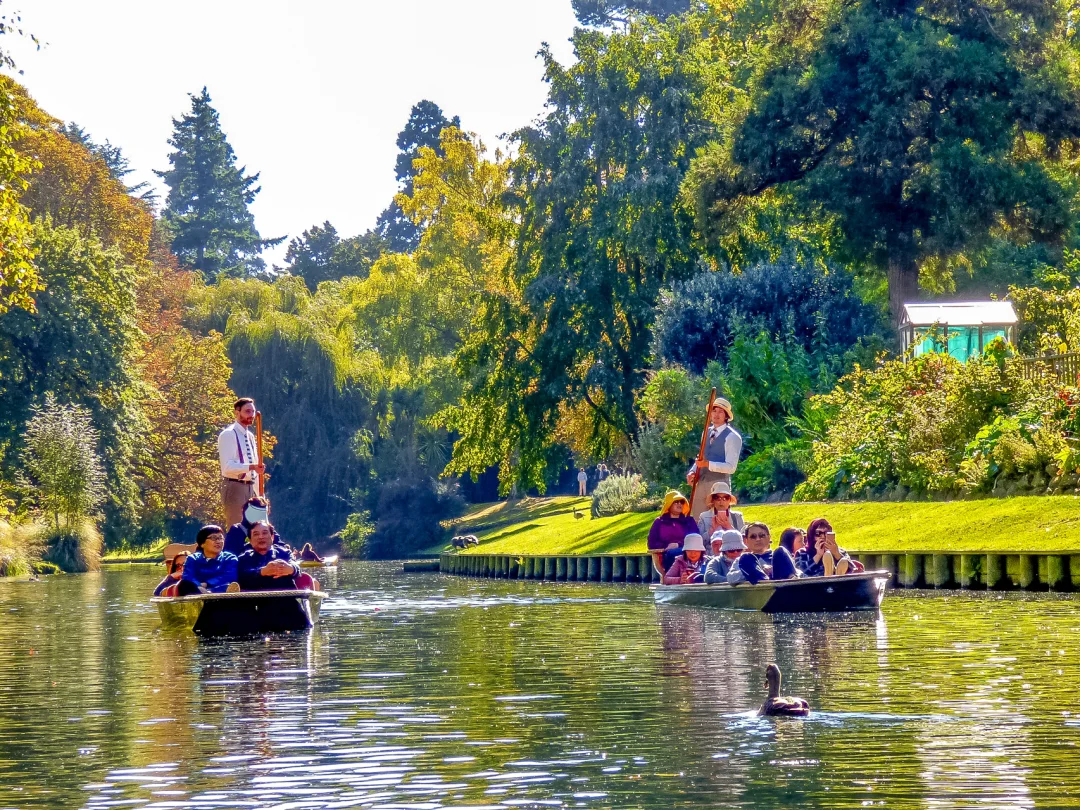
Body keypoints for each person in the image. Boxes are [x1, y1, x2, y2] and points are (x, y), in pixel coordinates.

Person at [686, 397, 743, 517]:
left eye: (720, 411)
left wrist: (708, 464)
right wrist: (692, 472)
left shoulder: (733, 437)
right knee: (697, 520)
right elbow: (701, 457)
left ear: (726, 416)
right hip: (701, 484)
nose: (716, 414)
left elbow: (731, 467)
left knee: (719, 519)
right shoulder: (706, 432)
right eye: (714, 410)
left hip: (720, 484)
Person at [218, 397, 266, 530]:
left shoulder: (250, 436)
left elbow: (256, 471)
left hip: (251, 487)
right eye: (247, 411)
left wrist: (261, 496)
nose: (251, 415)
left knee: (258, 528)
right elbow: (227, 468)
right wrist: (251, 467)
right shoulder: (228, 434)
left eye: (253, 412)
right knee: (237, 530)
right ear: (237, 413)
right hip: (234, 487)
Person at [237, 521, 319, 591]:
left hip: (285, 602)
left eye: (265, 533)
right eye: (256, 534)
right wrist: (262, 572)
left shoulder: (284, 553)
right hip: (254, 603)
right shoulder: (244, 557)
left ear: (272, 537)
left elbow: (297, 568)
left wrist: (290, 569)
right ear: (250, 540)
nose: (261, 537)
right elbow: (242, 576)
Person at [727, 522, 799, 585]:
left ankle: (791, 584)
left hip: (783, 587)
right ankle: (766, 583)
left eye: (762, 535)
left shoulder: (781, 555)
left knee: (780, 550)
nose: (758, 539)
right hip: (760, 592)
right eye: (753, 537)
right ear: (746, 541)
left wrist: (774, 569)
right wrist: (758, 570)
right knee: (746, 558)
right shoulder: (741, 560)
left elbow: (800, 573)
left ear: (769, 538)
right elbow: (731, 578)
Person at [647, 490, 700, 570]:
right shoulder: (659, 522)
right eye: (676, 502)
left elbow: (696, 539)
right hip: (667, 555)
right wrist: (666, 546)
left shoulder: (689, 521)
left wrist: (678, 545)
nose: (679, 504)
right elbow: (651, 543)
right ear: (669, 505)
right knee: (673, 553)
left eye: (681, 502)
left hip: (689, 552)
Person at [178, 525, 239, 595]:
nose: (218, 541)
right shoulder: (192, 559)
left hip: (220, 590)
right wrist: (199, 586)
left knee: (228, 586)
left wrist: (206, 584)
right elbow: (188, 577)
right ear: (202, 544)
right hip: (196, 591)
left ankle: (207, 593)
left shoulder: (230, 558)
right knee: (184, 584)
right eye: (214, 538)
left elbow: (229, 576)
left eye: (221, 538)